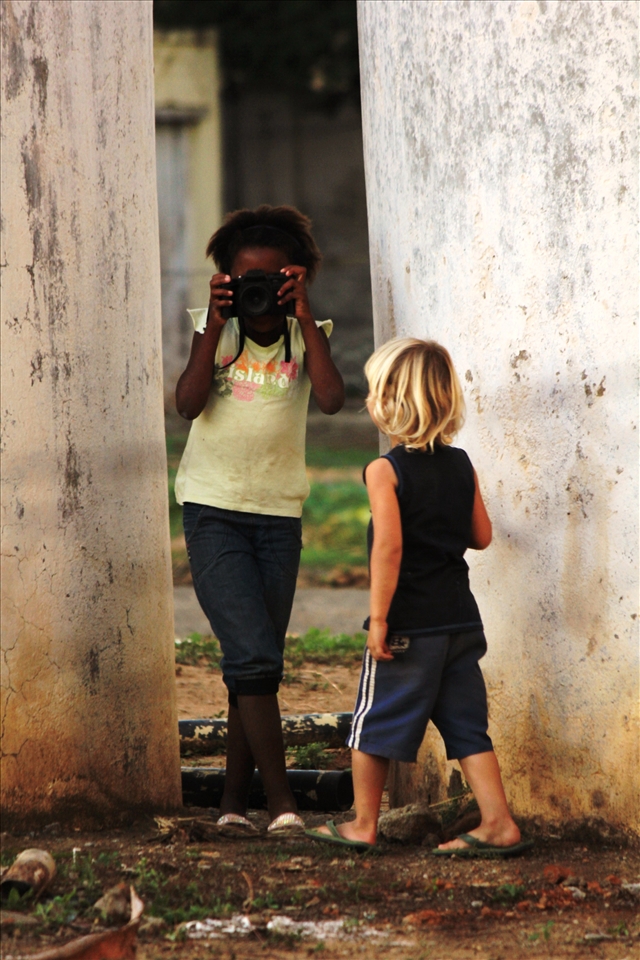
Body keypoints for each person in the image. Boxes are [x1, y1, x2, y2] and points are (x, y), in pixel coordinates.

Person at [307, 338, 531, 856]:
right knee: (468, 727)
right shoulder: (461, 464)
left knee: (372, 724)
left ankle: (363, 823)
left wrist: (380, 619)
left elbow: (388, 549)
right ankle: (498, 822)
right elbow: (482, 536)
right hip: (459, 624)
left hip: (410, 625)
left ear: (388, 402)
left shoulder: (385, 471)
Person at [175, 205, 344, 836]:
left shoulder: (308, 333)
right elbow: (188, 404)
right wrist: (213, 324)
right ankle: (283, 807)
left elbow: (331, 400)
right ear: (225, 280)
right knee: (252, 659)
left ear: (294, 279)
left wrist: (305, 317)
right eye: (247, 278)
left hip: (277, 516)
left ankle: (228, 808)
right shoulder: (213, 330)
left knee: (256, 664)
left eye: (273, 279)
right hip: (213, 510)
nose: (260, 290)